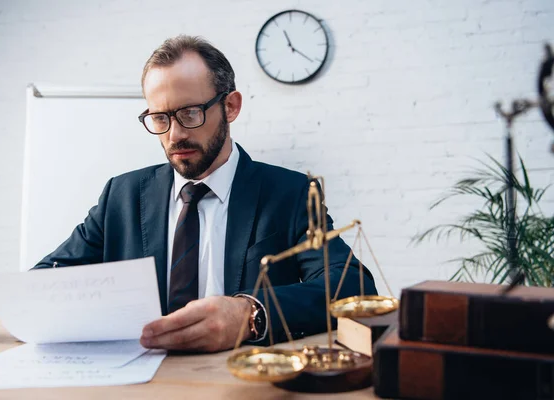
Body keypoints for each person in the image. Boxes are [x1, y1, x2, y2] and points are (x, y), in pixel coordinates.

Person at [33, 35, 377, 353]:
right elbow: (46, 282)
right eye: (159, 117)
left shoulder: (290, 193)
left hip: (237, 381)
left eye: (189, 113)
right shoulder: (120, 196)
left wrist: (248, 313)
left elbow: (353, 288)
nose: (175, 135)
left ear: (230, 106)